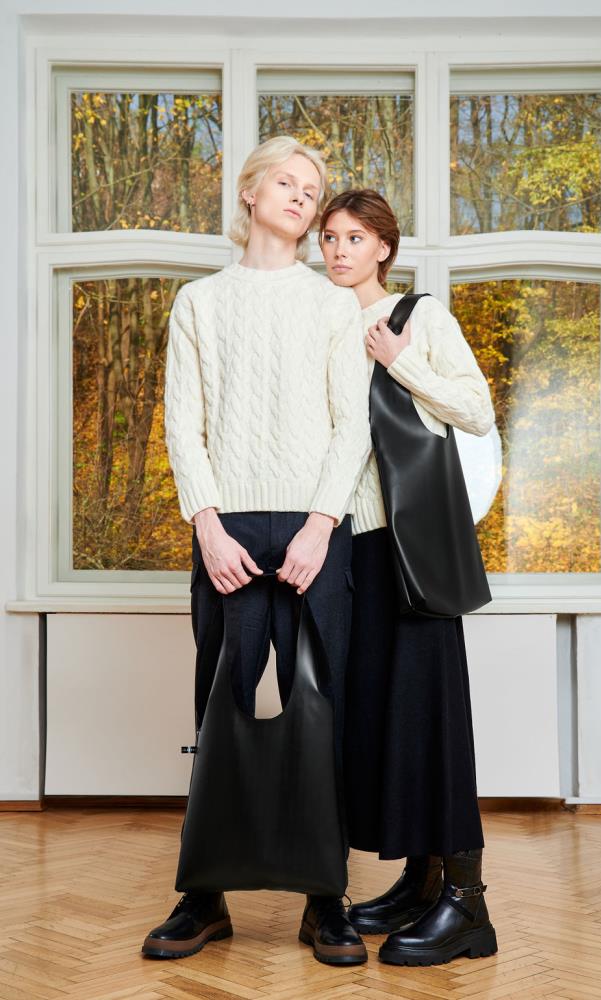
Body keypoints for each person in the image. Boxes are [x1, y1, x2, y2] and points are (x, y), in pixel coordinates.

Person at [141, 138, 371, 966]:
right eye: (287, 181)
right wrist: (206, 525)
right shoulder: (199, 302)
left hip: (314, 531)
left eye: (313, 190)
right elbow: (182, 425)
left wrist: (320, 525)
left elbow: (351, 426)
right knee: (220, 705)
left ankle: (326, 899)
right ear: (247, 193)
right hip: (227, 527)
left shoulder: (331, 306)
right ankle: (202, 898)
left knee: (323, 705)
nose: (303, 198)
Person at [319, 188, 499, 967]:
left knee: (433, 714)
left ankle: (467, 904)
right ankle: (419, 880)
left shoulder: (417, 317)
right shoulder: (319, 323)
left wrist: (402, 362)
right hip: (352, 547)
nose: (337, 250)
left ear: (384, 248)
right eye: (328, 237)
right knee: (383, 715)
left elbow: (476, 409)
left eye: (354, 237)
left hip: (412, 544)